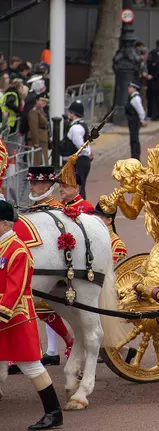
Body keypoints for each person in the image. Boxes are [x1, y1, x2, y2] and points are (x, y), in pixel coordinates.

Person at [0, 200, 64, 429]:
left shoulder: (17, 250)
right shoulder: (3, 246)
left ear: (5, 224)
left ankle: (54, 412)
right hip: (6, 316)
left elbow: (14, 289)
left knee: (31, 366)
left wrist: (1, 314)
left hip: (14, 316)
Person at [15, 167, 74, 368]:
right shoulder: (34, 208)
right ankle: (54, 348)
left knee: (39, 306)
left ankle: (69, 342)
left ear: (47, 185)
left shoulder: (58, 210)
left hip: (61, 269)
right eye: (30, 182)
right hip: (39, 267)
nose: (31, 186)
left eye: (35, 183)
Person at [63, 101, 91, 198]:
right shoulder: (82, 125)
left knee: (76, 188)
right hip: (82, 160)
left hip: (79, 161)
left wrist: (88, 152)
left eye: (69, 112)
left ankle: (80, 210)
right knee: (79, 187)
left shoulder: (75, 128)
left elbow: (80, 145)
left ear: (73, 114)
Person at [126, 80, 147, 160]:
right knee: (133, 138)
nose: (129, 88)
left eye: (130, 87)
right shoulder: (132, 96)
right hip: (132, 120)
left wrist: (142, 119)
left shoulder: (135, 98)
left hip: (135, 120)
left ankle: (136, 156)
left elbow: (140, 110)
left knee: (134, 138)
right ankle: (134, 155)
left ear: (134, 88)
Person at [26, 94, 49, 166]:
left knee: (43, 162)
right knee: (37, 162)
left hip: (42, 138)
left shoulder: (41, 111)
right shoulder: (34, 112)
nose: (44, 102)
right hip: (37, 140)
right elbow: (34, 128)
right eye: (42, 100)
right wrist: (36, 142)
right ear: (37, 101)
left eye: (45, 101)